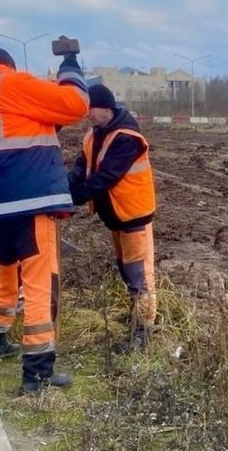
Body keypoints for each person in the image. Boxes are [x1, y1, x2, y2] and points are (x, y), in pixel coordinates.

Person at [0, 46, 89, 394]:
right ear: (7, 66)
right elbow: (74, 104)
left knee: (6, 266)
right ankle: (37, 373)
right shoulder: (11, 83)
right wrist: (70, 65)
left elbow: (20, 130)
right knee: (40, 280)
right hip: (30, 199)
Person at [67, 84, 157, 348]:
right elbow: (82, 165)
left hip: (133, 215)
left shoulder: (126, 138)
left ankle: (144, 331)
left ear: (104, 106)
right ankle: (136, 315)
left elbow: (106, 177)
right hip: (116, 215)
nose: (87, 115)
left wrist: (74, 198)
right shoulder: (95, 134)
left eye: (90, 109)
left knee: (139, 273)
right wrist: (68, 183)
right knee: (125, 268)